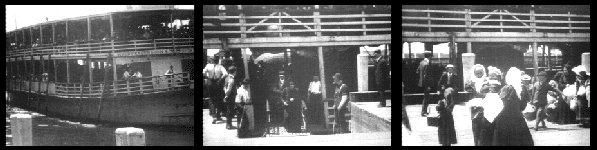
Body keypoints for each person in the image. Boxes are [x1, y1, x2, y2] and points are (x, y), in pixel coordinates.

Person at [491, 67, 534, 146]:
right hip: (518, 119)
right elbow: (523, 107)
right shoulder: (522, 89)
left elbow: (500, 104)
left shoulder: (506, 88)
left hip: (504, 120)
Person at [203, 58, 229, 124]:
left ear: (212, 61)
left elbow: (203, 73)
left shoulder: (208, 66)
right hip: (218, 83)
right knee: (219, 99)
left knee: (212, 100)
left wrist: (208, 77)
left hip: (211, 82)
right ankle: (218, 115)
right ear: (218, 61)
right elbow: (225, 74)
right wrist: (220, 79)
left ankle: (214, 116)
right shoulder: (220, 66)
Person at [417, 51, 433, 116]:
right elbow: (426, 76)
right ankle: (424, 112)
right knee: (426, 97)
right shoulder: (427, 64)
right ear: (429, 56)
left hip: (422, 83)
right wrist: (428, 85)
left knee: (425, 97)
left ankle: (424, 111)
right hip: (426, 83)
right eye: (431, 56)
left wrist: (421, 80)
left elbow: (417, 71)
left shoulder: (421, 63)